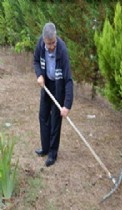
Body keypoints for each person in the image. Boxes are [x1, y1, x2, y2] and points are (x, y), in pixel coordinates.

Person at [33, 22, 73, 167]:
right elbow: (36, 61)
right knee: (43, 116)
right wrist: (39, 75)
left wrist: (67, 105)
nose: (51, 46)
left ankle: (52, 154)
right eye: (49, 43)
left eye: (53, 42)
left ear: (56, 38)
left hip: (58, 87)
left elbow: (68, 80)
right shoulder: (40, 44)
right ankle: (45, 148)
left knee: (55, 120)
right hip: (46, 84)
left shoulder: (62, 50)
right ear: (44, 40)